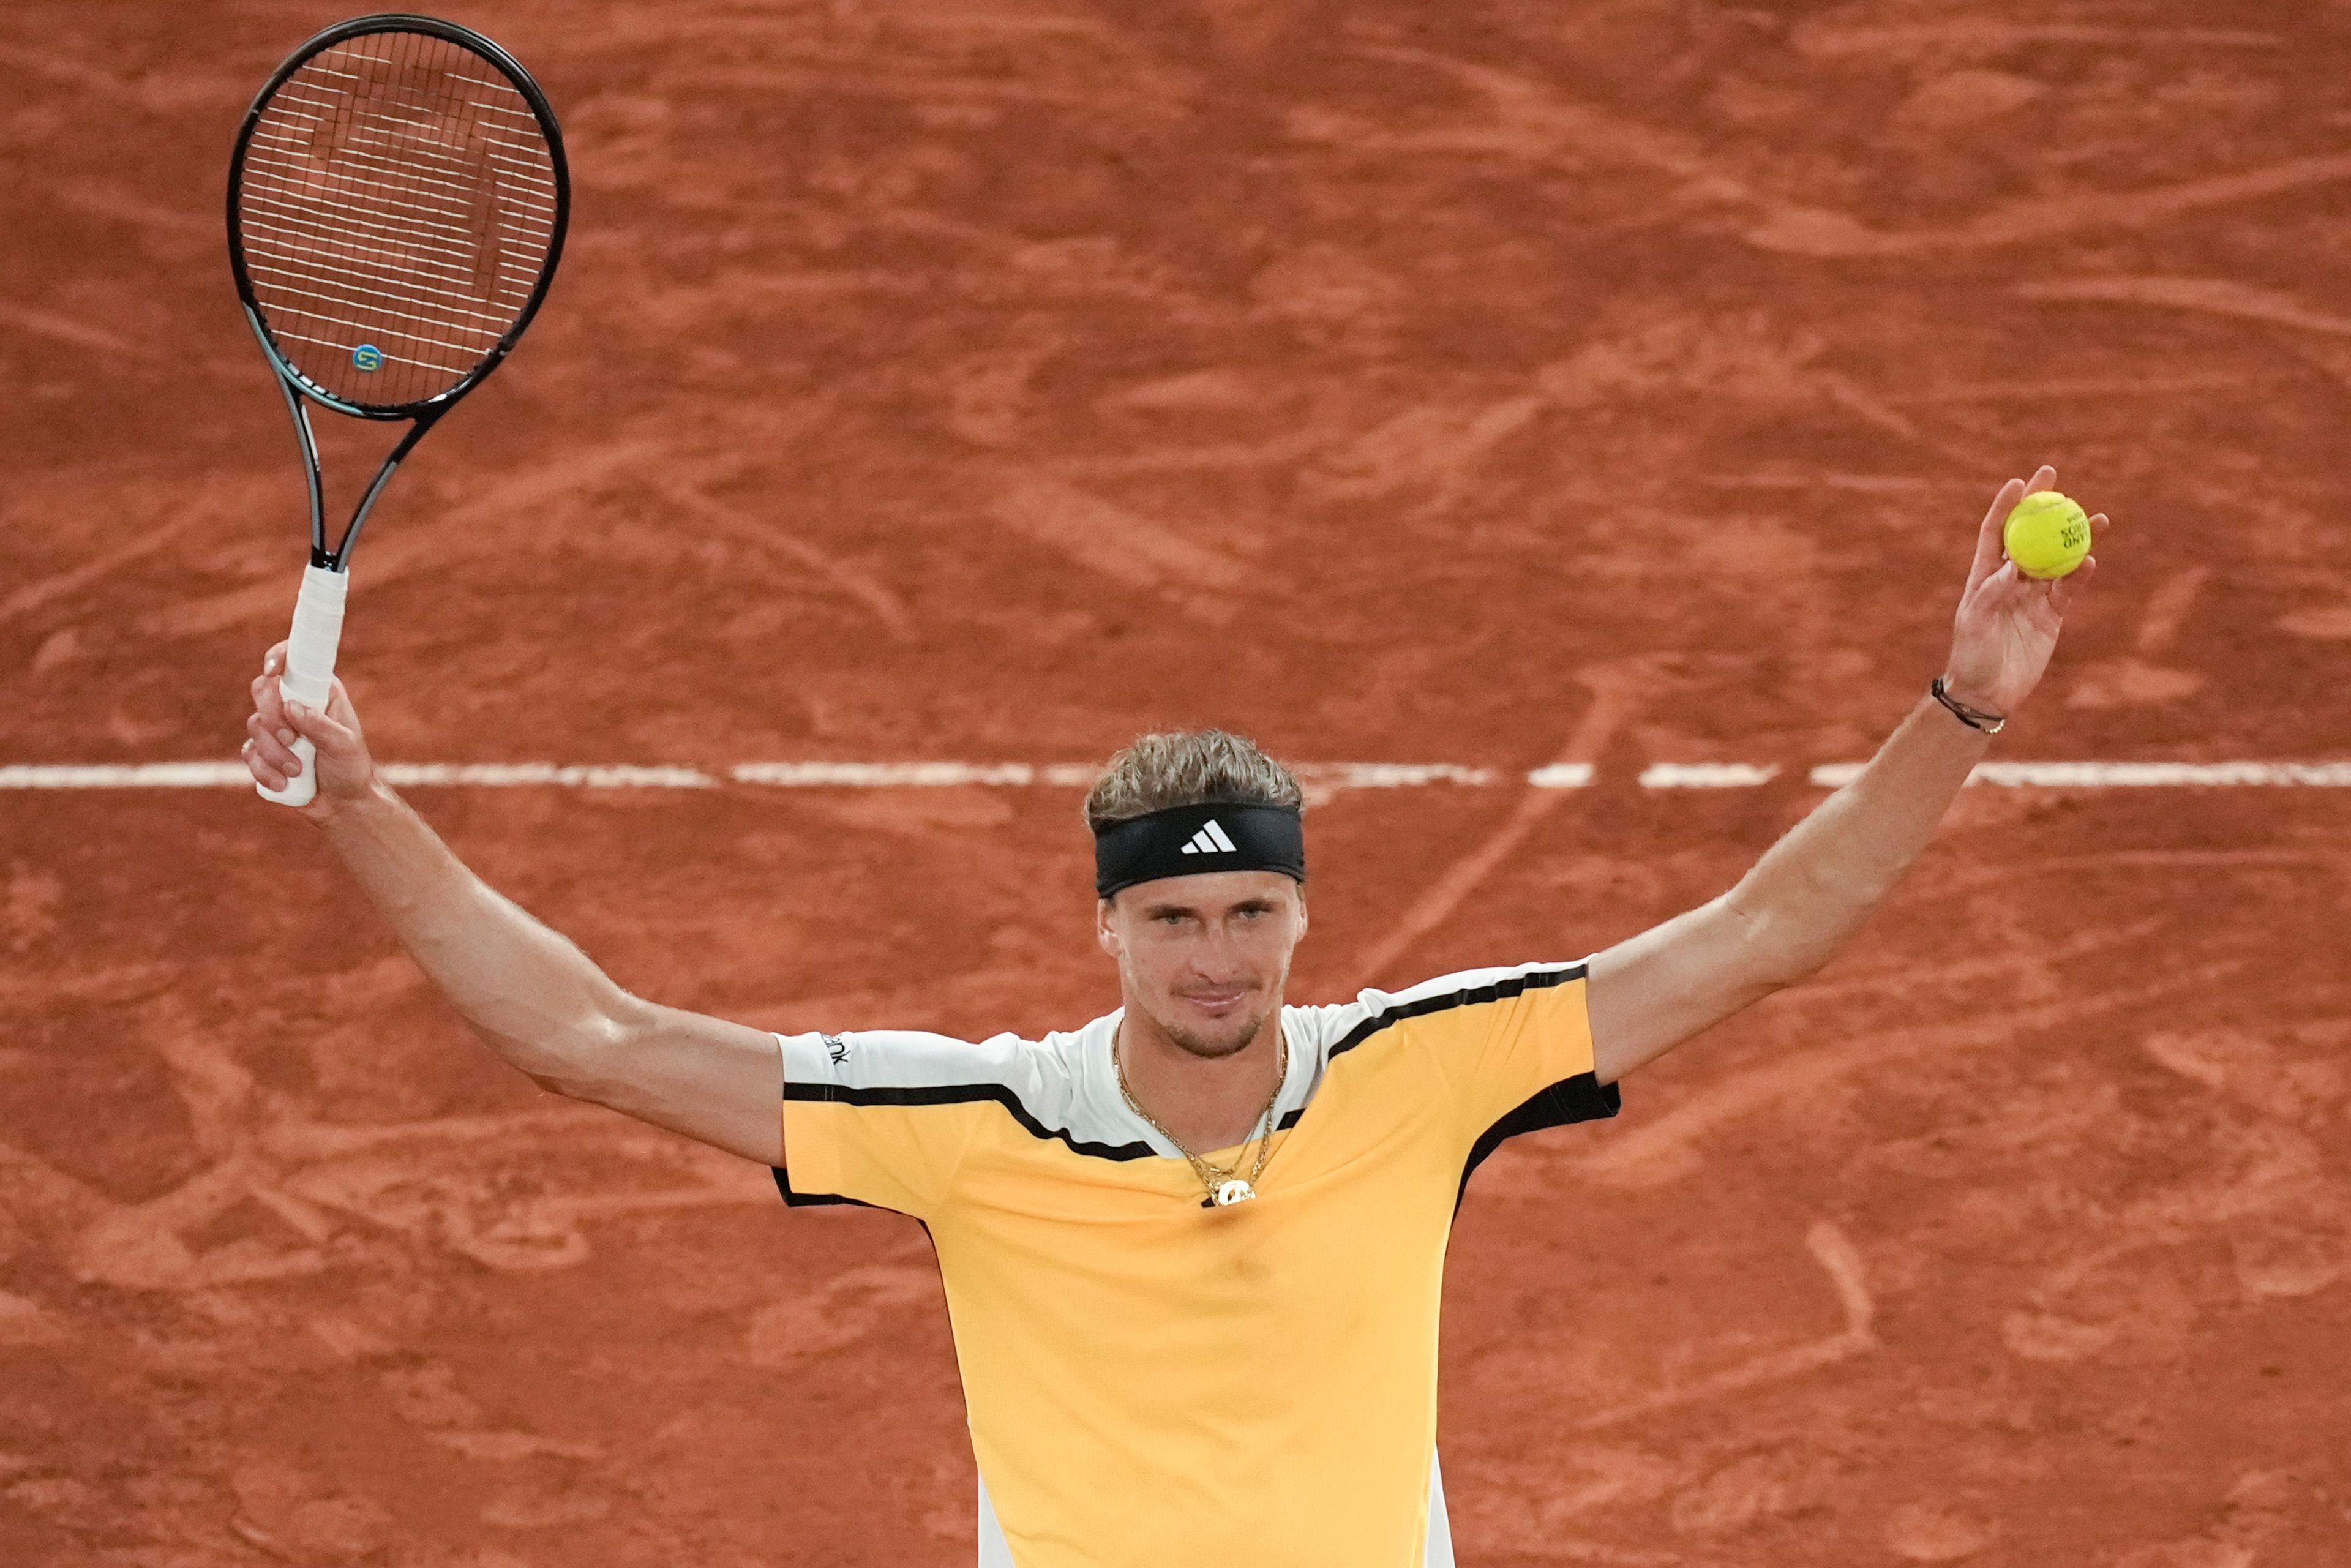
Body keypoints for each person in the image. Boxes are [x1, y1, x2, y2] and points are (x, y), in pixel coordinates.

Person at [239, 470, 2103, 1566]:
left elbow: (1762, 932)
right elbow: (596, 1035)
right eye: (1175, 917)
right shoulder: (976, 1123)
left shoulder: (1424, 1068)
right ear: (1105, 922)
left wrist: (1960, 708)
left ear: (1301, 911)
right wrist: (359, 800)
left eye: (1251, 911)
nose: (1219, 957)